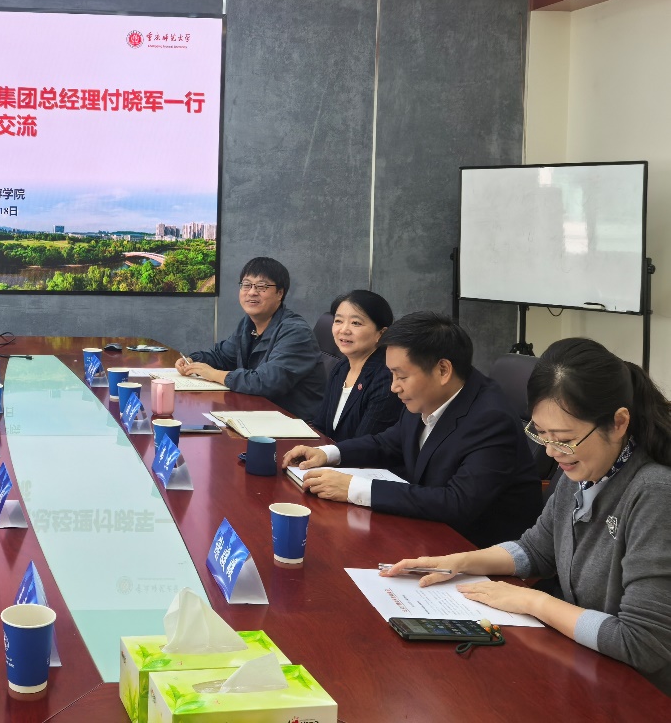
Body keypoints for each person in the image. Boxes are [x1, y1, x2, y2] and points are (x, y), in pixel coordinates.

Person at [384, 338, 671, 695]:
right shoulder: (583, 466)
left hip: (638, 691)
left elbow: (641, 642)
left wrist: (533, 601)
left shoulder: (655, 492)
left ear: (618, 423)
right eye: (541, 434)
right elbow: (537, 549)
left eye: (563, 438)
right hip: (583, 662)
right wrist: (458, 562)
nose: (551, 452)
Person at [283, 311, 542, 546]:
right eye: (392, 374)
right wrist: (328, 453)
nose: (394, 386)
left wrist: (354, 489)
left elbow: (457, 503)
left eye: (402, 376)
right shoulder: (429, 394)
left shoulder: (491, 419)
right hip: (423, 530)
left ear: (443, 370)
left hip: (475, 550)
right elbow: (389, 442)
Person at [176, 256, 326, 422]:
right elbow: (223, 356)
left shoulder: (296, 332)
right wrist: (192, 361)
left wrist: (215, 374)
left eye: (261, 286)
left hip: (294, 425)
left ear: (280, 293)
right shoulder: (248, 324)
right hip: (259, 415)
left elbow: (266, 382)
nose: (252, 292)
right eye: (246, 285)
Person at [318, 290, 405, 441]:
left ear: (381, 333)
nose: (343, 330)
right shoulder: (341, 367)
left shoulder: (386, 379)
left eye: (356, 323)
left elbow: (365, 445)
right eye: (338, 321)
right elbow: (321, 425)